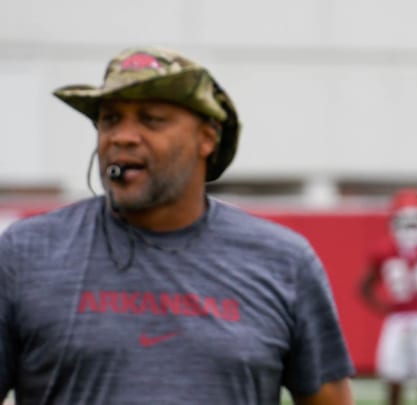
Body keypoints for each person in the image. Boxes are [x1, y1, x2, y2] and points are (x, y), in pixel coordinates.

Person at [0, 47, 355, 405]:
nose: (122, 136)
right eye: (109, 119)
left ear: (207, 138)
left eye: (151, 119)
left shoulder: (284, 261)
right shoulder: (25, 252)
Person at [359, 189, 417, 405]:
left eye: (415, 222)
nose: (411, 229)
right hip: (398, 319)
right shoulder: (384, 249)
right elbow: (364, 285)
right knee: (393, 376)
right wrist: (385, 308)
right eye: (406, 222)